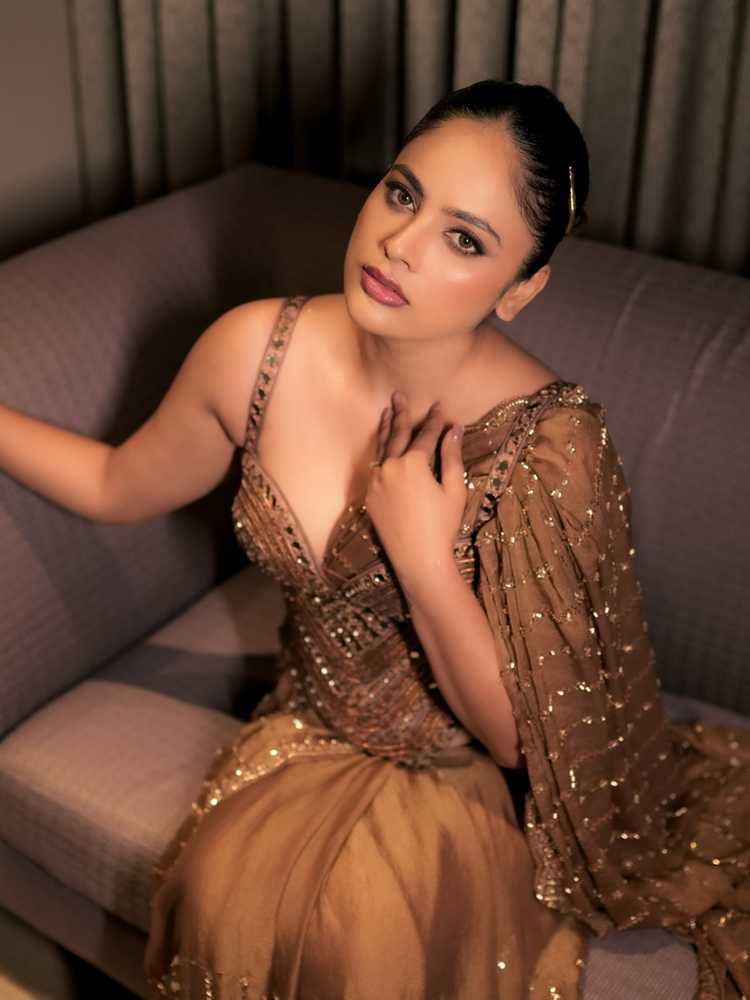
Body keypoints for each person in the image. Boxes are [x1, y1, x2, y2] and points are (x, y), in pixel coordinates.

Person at [1, 79, 748, 999]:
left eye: (464, 239)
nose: (400, 243)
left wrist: (425, 562)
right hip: (308, 725)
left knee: (349, 944)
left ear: (520, 288)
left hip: (459, 770)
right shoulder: (253, 352)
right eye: (402, 193)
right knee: (228, 904)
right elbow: (117, 485)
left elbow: (516, 742)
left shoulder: (549, 444)